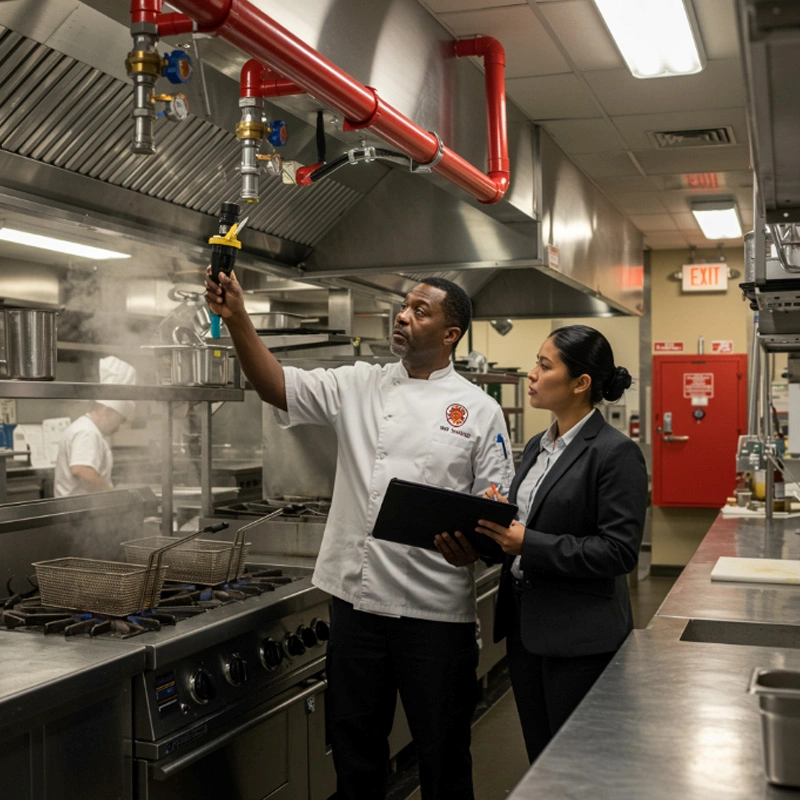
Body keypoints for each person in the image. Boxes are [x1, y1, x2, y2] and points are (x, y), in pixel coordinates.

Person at [205, 266, 512, 800]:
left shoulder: (480, 411)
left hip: (435, 613)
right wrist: (236, 320)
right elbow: (275, 386)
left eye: (420, 311)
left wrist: (474, 547)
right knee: (355, 759)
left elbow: (494, 508)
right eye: (404, 306)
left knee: (444, 759)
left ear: (450, 335)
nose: (403, 316)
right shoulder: (358, 384)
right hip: (356, 606)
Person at [436, 324, 647, 764]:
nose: (532, 374)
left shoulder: (614, 453)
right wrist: (490, 528)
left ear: (581, 383)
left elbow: (619, 551)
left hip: (580, 639)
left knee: (577, 765)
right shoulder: (537, 446)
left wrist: (528, 542)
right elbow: (524, 530)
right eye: (536, 362)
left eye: (545, 366)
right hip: (526, 631)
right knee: (541, 756)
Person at [53, 357, 136, 497]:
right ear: (107, 411)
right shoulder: (87, 431)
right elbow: (82, 471)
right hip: (79, 509)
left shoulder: (87, 428)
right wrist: (114, 498)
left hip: (82, 508)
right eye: (120, 420)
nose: (118, 427)